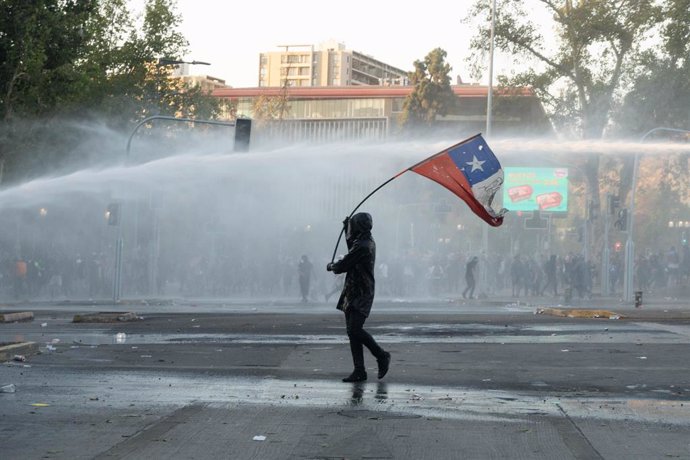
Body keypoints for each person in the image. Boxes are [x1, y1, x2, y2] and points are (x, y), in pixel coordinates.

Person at [327, 213, 390, 383]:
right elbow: (352, 249)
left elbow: (344, 264)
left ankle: (381, 355)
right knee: (352, 332)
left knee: (355, 329)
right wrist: (347, 228)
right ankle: (359, 370)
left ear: (358, 226)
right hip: (354, 290)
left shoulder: (363, 245)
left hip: (361, 292)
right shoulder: (364, 242)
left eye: (353, 225)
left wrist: (332, 266)